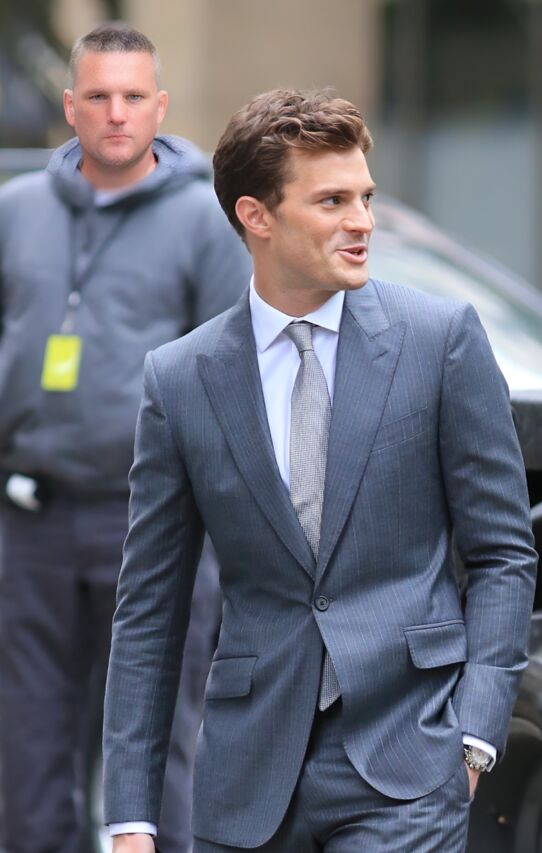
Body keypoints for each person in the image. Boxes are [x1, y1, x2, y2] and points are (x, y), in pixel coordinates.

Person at [103, 89, 537, 852]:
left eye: (365, 197)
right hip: (246, 782)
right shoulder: (180, 379)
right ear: (256, 216)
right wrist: (131, 816)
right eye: (333, 201)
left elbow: (504, 550)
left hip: (410, 763)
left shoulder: (441, 341)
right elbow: (150, 609)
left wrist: (475, 736)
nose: (362, 221)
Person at [0, 22, 250, 853]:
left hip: (155, 525)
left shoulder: (205, 222)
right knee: (27, 749)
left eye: (133, 96)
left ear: (160, 106)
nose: (116, 113)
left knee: (156, 747)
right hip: (30, 519)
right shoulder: (15, 212)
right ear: (70, 106)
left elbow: (229, 372)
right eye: (99, 96)